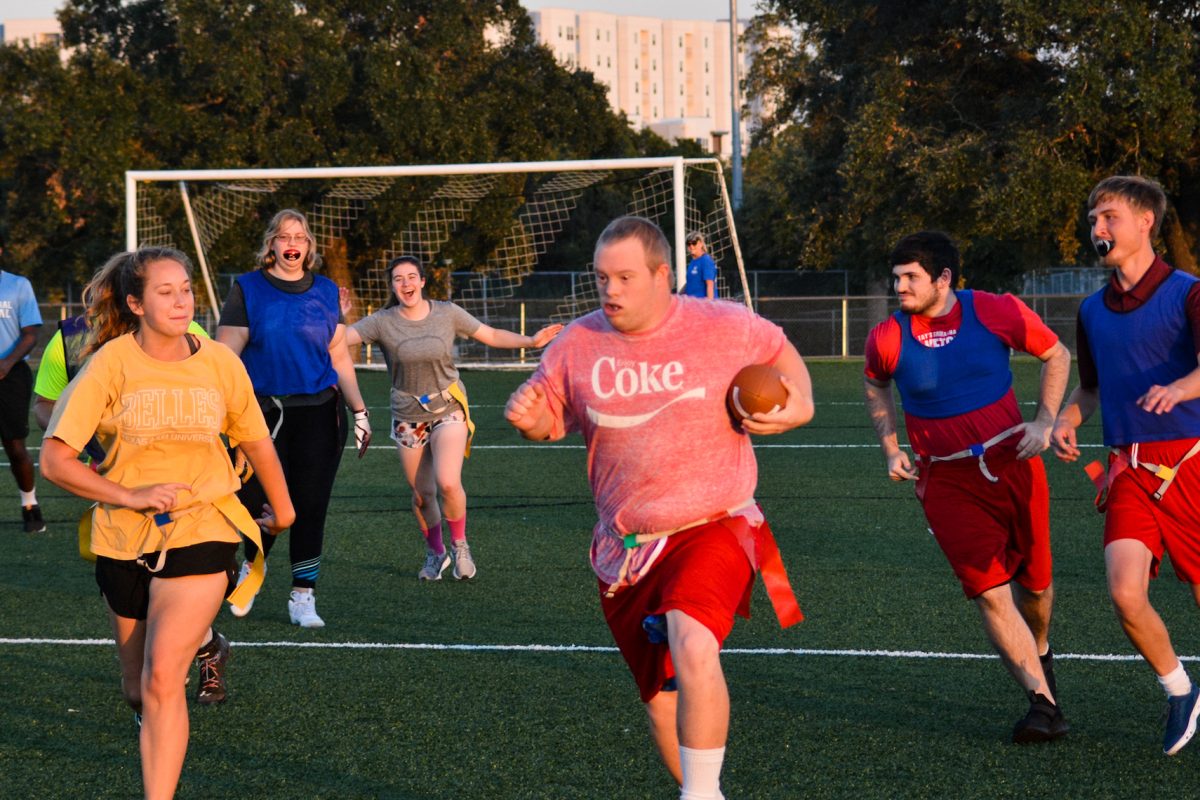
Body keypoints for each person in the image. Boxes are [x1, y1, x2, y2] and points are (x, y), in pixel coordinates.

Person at [505, 216, 812, 799]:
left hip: (714, 523)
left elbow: (779, 349)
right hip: (625, 549)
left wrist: (798, 406)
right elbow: (549, 422)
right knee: (660, 706)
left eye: (624, 277)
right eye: (601, 278)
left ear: (662, 275)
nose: (610, 290)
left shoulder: (721, 324)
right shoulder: (577, 343)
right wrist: (529, 416)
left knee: (692, 639)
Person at [40, 247, 293, 800]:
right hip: (123, 536)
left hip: (205, 525)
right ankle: (168, 702)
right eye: (165, 291)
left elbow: (252, 435)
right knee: (138, 690)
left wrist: (283, 504)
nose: (182, 301)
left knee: (161, 681)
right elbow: (55, 459)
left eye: (185, 289)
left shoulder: (220, 362)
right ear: (135, 303)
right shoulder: (109, 363)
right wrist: (127, 493)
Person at [863, 231, 1071, 743]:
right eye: (896, 278)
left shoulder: (995, 310)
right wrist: (891, 447)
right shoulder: (888, 336)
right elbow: (876, 383)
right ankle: (1042, 704)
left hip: (1014, 464)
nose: (900, 287)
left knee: (1036, 587)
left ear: (944, 279)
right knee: (989, 591)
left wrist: (1045, 421)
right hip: (946, 480)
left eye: (911, 277)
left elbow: (1057, 353)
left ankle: (1040, 650)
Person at [1052, 175, 1200, 756]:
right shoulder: (1091, 310)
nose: (1098, 228)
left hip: (1189, 462)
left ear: (1145, 223)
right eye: (1093, 219)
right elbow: (1089, 390)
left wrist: (1180, 389)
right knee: (1124, 593)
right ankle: (1181, 691)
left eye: (1109, 216)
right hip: (1129, 471)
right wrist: (1067, 420)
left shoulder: (1188, 292)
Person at [33, 314, 233, 706]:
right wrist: (79, 431)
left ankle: (196, 660)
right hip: (116, 487)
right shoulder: (72, 337)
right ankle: (204, 650)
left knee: (184, 578)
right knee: (137, 619)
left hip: (187, 493)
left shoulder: (188, 331)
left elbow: (222, 396)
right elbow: (45, 407)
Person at [345, 255, 562, 581]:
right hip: (407, 416)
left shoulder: (447, 313)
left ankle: (460, 545)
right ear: (392, 285)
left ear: (422, 281)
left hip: (448, 407)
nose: (405, 284)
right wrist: (338, 316)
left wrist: (531, 341)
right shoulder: (382, 321)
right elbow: (336, 340)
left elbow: (489, 334)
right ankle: (436, 552)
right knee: (422, 495)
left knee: (447, 481)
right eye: (398, 279)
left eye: (411, 277)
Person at [217, 209, 371, 628]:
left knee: (310, 504)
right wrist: (222, 413)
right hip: (259, 413)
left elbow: (338, 354)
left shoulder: (324, 291)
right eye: (284, 235)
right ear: (271, 244)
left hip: (319, 411)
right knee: (256, 502)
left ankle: (303, 594)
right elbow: (226, 355)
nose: (292, 242)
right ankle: (252, 565)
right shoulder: (247, 288)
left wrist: (359, 411)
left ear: (308, 247)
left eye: (300, 237)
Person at [0, 233, 45, 531]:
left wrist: (6, 362)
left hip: (10, 374)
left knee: (15, 446)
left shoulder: (17, 285)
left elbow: (31, 332)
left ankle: (30, 504)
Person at [681, 231, 717, 299]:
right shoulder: (693, 262)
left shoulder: (706, 261)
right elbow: (690, 283)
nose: (691, 246)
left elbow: (710, 285)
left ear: (700, 243)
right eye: (688, 244)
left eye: (694, 243)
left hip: (703, 306)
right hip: (693, 304)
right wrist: (677, 296)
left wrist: (710, 305)